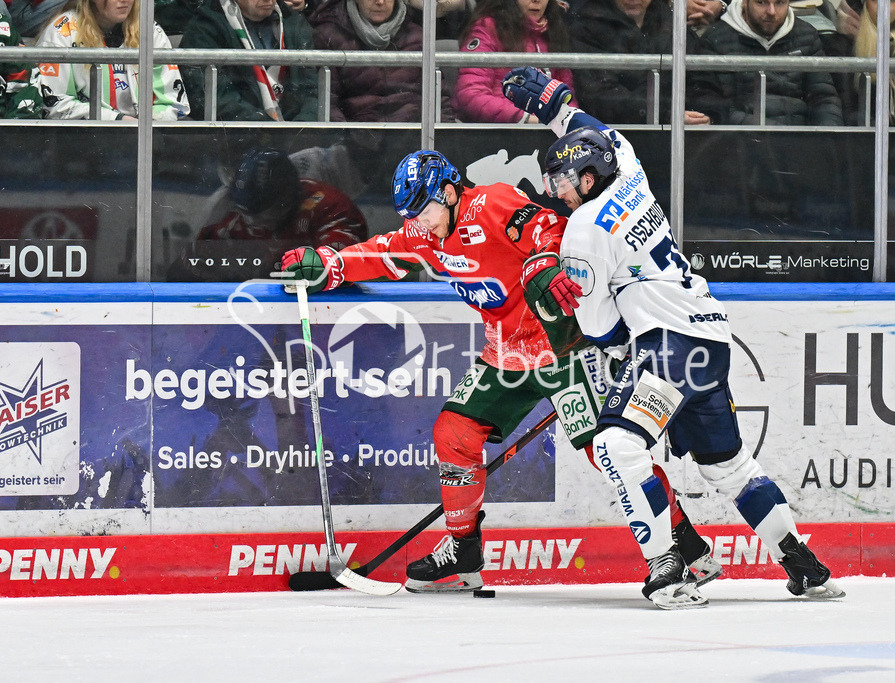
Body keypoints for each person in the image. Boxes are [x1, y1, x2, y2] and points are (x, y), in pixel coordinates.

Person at [280, 149, 722, 598]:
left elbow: (553, 230)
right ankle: (464, 553)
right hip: (506, 356)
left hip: (565, 351)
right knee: (453, 432)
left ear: (450, 193)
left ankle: (687, 550)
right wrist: (330, 264)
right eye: (410, 213)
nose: (420, 221)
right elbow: (385, 252)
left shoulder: (491, 204)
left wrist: (544, 263)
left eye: (426, 208)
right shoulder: (424, 231)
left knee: (609, 455)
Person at [502, 65, 846, 607]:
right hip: (710, 339)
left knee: (616, 444)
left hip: (668, 345)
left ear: (589, 179)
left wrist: (602, 336)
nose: (556, 193)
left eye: (564, 183)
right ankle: (803, 563)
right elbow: (601, 132)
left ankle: (668, 568)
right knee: (727, 465)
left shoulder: (583, 232)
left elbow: (600, 329)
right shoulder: (630, 168)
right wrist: (557, 106)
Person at [169, 147, 368, 281]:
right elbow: (186, 266)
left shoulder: (331, 209)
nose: (254, 222)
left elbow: (338, 268)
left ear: (287, 199)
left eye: (263, 213)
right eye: (246, 213)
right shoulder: (241, 222)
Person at [35, 0, 190, 120]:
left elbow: (174, 102)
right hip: (81, 141)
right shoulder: (61, 32)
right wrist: (116, 120)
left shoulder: (150, 30)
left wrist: (149, 123)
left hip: (143, 138)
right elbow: (52, 105)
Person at [569, 0, 715, 125]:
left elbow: (703, 82)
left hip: (680, 136)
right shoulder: (586, 27)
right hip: (614, 139)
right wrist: (666, 115)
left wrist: (705, 116)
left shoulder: (671, 21)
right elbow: (600, 96)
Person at [698, 0, 843, 125]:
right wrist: (769, 133)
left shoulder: (807, 35)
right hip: (741, 142)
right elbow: (714, 106)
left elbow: (823, 98)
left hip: (799, 142)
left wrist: (827, 136)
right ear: (744, 2)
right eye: (761, 2)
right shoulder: (715, 40)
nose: (771, 12)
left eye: (780, 2)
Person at [309, 0, 455, 121]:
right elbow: (328, 105)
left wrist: (444, 140)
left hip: (413, 136)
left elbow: (439, 102)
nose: (380, 2)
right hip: (359, 140)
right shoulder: (328, 36)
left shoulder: (418, 37)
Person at [179, 0, 319, 121]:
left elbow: (313, 91)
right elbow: (217, 100)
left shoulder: (294, 23)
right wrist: (271, 133)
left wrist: (302, 131)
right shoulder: (204, 29)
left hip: (295, 136)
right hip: (239, 139)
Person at [452, 0, 572, 123]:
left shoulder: (554, 32)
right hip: (497, 134)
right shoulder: (488, 27)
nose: (536, 0)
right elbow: (471, 95)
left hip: (546, 131)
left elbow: (567, 96)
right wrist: (525, 118)